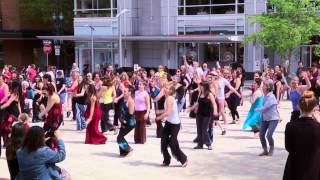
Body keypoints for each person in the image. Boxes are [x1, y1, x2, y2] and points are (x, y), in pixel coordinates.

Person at [283, 91, 320, 180]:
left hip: (294, 167)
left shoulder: (290, 126)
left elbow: (288, 147)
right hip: (314, 166)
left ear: (299, 106)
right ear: (315, 108)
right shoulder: (318, 127)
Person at [156, 82, 188, 167]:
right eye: (164, 88)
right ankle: (166, 160)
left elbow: (168, 112)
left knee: (172, 143)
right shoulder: (167, 98)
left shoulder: (170, 98)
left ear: (170, 91)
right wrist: (160, 111)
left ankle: (184, 159)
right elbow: (168, 109)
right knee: (163, 141)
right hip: (169, 123)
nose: (165, 89)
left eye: (167, 88)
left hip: (175, 124)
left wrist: (159, 117)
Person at [255, 79, 280, 156]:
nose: (262, 87)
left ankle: (271, 149)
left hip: (273, 119)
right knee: (261, 135)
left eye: (264, 85)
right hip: (265, 118)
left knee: (269, 135)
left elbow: (265, 108)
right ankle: (265, 150)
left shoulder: (271, 96)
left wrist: (256, 109)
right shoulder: (265, 96)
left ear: (268, 87)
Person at [191, 81, 217, 150]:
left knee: (204, 129)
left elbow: (214, 103)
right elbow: (197, 103)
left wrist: (215, 111)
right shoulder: (200, 93)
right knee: (199, 129)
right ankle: (200, 144)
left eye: (201, 86)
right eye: (200, 86)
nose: (200, 87)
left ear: (205, 87)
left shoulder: (209, 94)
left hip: (207, 114)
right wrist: (191, 108)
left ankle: (209, 144)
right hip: (199, 114)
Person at [117, 86, 136, 156]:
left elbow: (131, 114)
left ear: (129, 93)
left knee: (119, 137)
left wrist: (124, 122)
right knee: (120, 136)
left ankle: (128, 149)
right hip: (124, 122)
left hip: (129, 123)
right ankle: (123, 152)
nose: (124, 93)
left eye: (125, 91)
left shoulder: (131, 101)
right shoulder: (126, 100)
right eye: (124, 91)